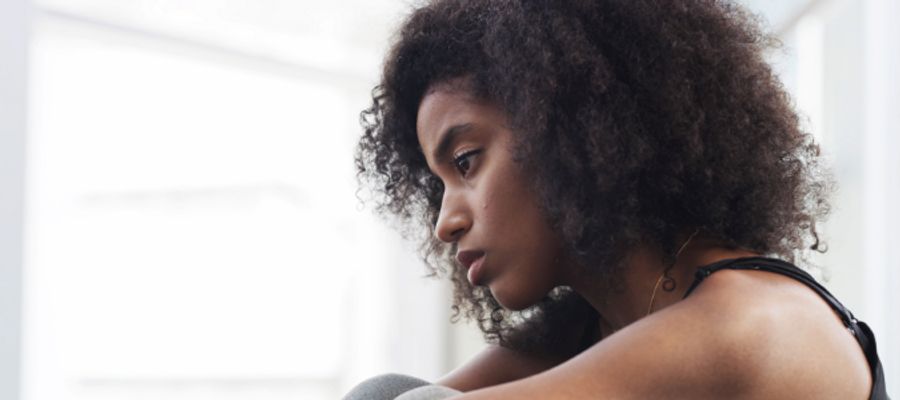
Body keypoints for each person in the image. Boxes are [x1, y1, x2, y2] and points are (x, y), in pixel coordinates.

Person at [348, 0, 889, 399]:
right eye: (439, 182)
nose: (444, 222)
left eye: (466, 161)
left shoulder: (755, 325)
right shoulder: (583, 332)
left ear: (570, 127)